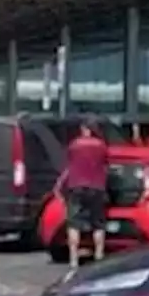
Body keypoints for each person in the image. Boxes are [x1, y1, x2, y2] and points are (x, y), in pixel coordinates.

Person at [53, 115, 110, 274]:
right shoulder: (101, 146)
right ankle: (99, 255)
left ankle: (73, 259)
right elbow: (105, 166)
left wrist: (59, 186)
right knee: (98, 223)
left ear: (85, 129)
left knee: (74, 223)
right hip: (97, 187)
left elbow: (69, 167)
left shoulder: (75, 145)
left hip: (76, 186)